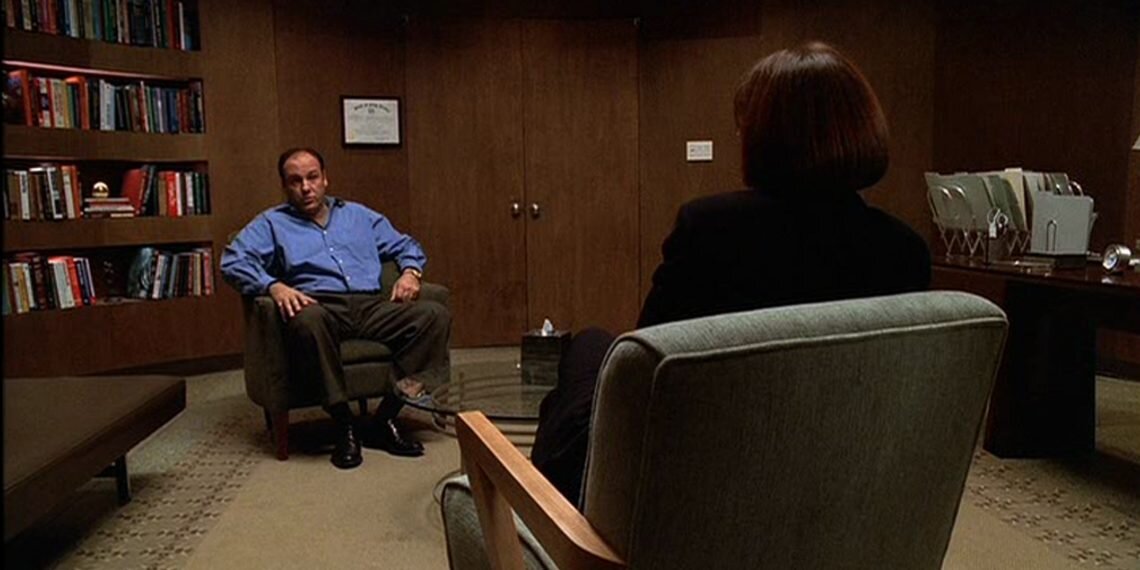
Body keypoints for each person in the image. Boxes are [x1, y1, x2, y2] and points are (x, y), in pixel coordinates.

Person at [531, 41, 932, 505]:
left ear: (764, 138)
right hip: (842, 479)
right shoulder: (905, 251)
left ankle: (550, 506)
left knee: (589, 346)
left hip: (697, 475)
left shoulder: (711, 228)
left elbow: (647, 368)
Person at [221, 147, 451, 470]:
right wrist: (273, 285)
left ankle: (386, 416)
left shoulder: (358, 215)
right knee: (308, 320)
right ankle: (344, 423)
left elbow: (405, 244)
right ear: (285, 186)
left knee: (434, 316)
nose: (306, 187)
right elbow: (233, 261)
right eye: (295, 181)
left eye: (312, 177)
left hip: (370, 305)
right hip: (319, 305)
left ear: (325, 179)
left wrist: (411, 272)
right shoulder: (272, 223)